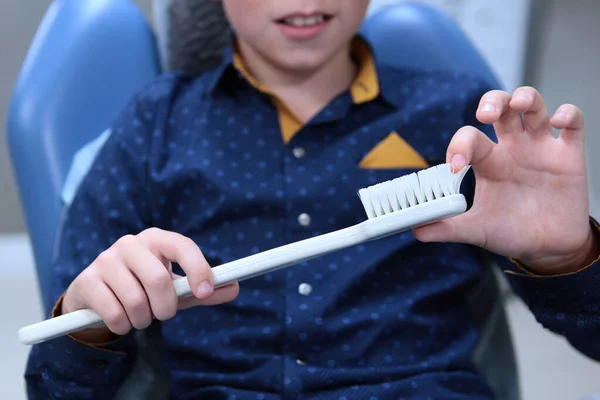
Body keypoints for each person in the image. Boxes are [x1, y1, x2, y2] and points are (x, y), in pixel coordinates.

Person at [25, 0, 600, 399]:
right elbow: (50, 386)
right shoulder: (156, 124)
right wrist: (87, 319)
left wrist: (567, 257)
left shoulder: (460, 120)